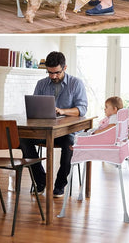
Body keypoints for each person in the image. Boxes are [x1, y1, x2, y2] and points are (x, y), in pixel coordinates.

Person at [19, 51, 88, 197]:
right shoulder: (41, 84)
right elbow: (34, 106)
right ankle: (41, 180)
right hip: (44, 131)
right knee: (23, 140)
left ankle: (60, 184)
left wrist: (62, 111)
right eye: (50, 73)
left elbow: (81, 110)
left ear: (65, 67)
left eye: (56, 72)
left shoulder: (76, 84)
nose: (53, 76)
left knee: (69, 143)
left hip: (65, 133)